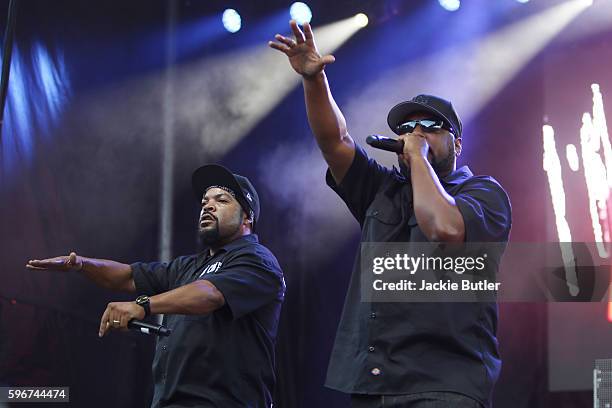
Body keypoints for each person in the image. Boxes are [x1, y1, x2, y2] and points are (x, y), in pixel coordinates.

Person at [269, 21, 511, 408]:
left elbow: (444, 228)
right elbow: (336, 141)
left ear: (458, 143)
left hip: (444, 384)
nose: (415, 132)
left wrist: (418, 155)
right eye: (407, 128)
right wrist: (314, 80)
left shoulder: (483, 194)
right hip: (375, 384)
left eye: (430, 126)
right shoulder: (382, 190)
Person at [27, 164, 286, 408]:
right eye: (205, 201)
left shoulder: (256, 259)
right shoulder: (188, 266)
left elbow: (211, 294)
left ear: (247, 218)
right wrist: (82, 264)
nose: (208, 206)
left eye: (221, 200)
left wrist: (143, 305)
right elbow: (128, 276)